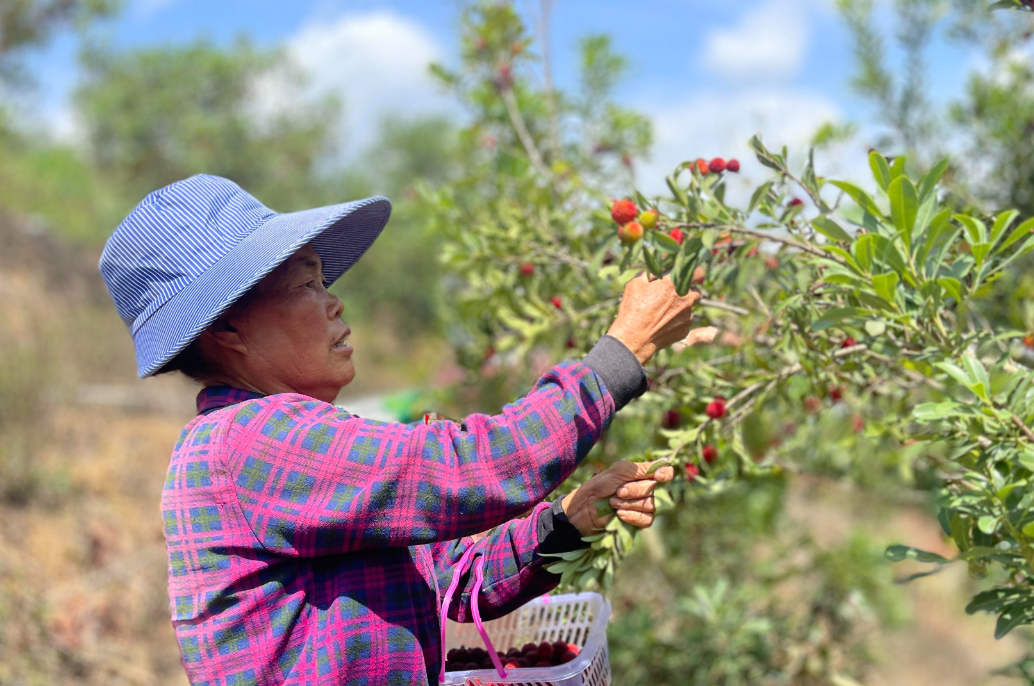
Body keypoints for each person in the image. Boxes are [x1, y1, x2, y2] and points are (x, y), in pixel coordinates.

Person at [97, 174, 715, 685]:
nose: (333, 302)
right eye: (306, 283)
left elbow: (447, 581)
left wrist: (567, 522)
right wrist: (621, 352)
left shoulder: (297, 444)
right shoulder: (249, 441)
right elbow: (463, 470)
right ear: (227, 331)